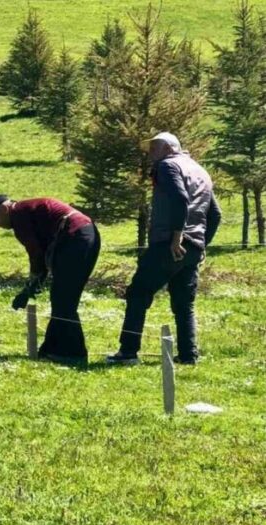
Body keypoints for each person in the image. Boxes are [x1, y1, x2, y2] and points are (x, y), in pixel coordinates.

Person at [107, 132, 222, 366]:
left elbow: (180, 199)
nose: (150, 155)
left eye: (153, 149)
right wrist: (201, 245)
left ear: (168, 148)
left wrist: (177, 237)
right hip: (192, 247)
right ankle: (188, 356)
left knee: (138, 293)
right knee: (184, 304)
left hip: (169, 243)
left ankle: (128, 352)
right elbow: (215, 214)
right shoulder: (200, 170)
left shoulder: (167, 166)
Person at [0, 195, 101, 363]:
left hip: (75, 237)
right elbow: (43, 255)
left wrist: (29, 288)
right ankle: (53, 350)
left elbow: (36, 254)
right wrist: (33, 285)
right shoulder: (26, 211)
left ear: (3, 208)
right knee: (63, 298)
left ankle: (74, 354)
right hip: (85, 234)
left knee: (63, 299)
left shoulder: (18, 214)